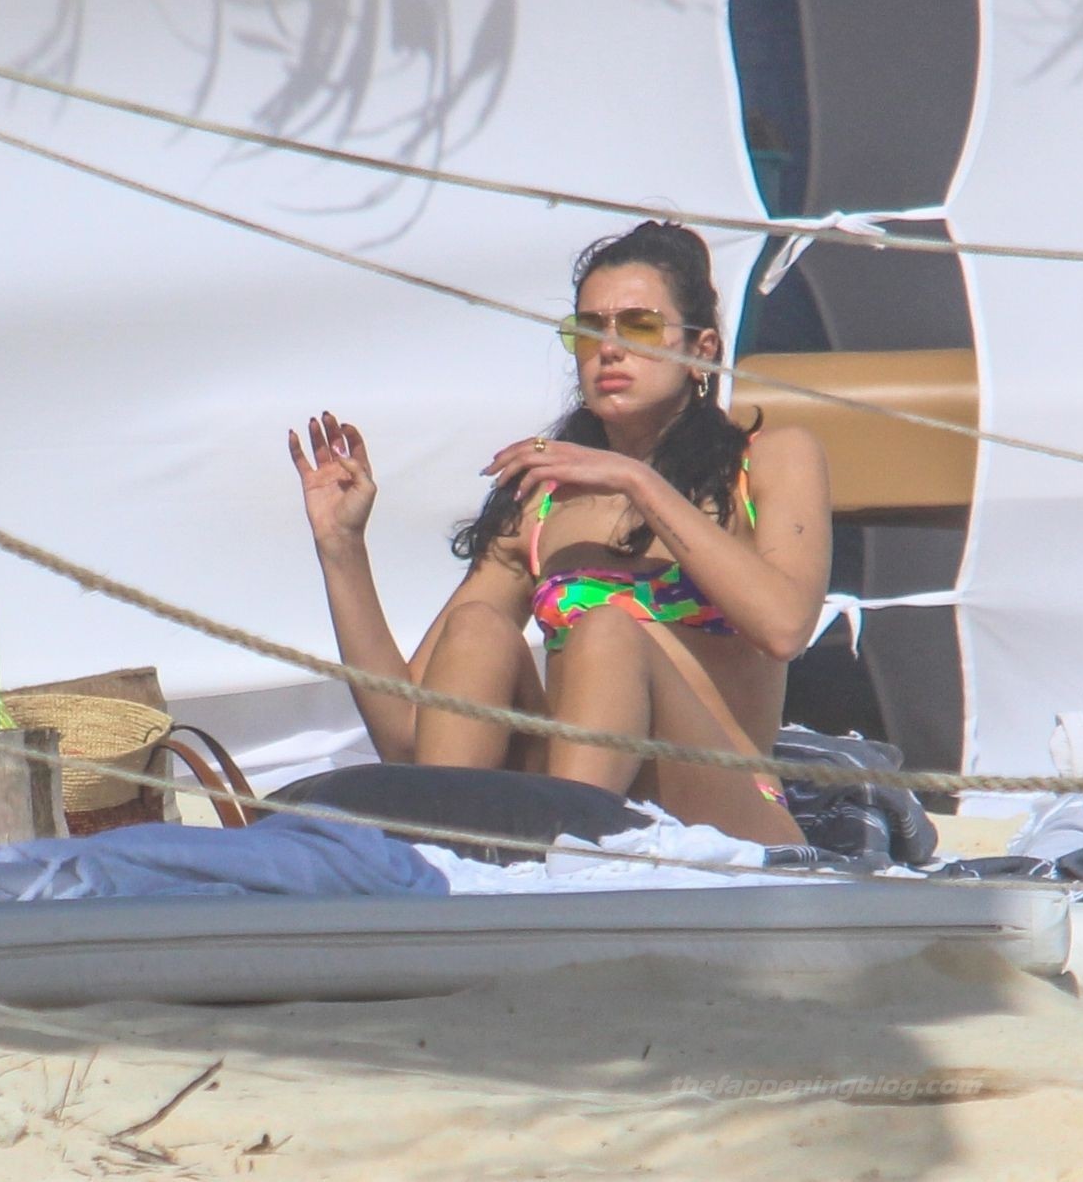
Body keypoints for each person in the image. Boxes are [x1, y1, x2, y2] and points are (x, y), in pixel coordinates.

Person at [289, 222, 830, 846]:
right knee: (476, 630)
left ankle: (571, 854)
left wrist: (637, 481)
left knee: (608, 629)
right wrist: (343, 550)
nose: (610, 349)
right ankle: (450, 858)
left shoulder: (769, 459)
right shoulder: (543, 504)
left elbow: (785, 627)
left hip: (723, 805)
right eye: (589, 330)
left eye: (639, 326)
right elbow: (407, 733)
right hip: (575, 789)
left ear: (702, 349)